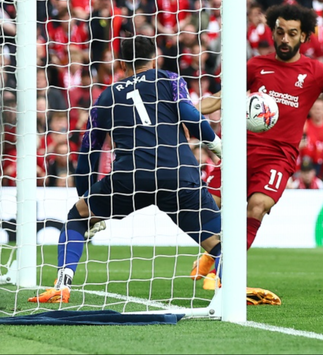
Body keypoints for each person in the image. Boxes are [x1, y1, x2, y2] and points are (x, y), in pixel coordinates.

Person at [29, 36, 223, 304]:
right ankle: (230, 288)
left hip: (130, 176)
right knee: (218, 239)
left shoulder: (105, 97)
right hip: (178, 173)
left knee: (77, 217)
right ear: (154, 58)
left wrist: (87, 198)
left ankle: (62, 285)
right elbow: (190, 115)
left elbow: (88, 151)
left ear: (120, 63)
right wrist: (216, 145)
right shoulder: (169, 78)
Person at [191, 3, 323, 290]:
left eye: (292, 34)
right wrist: (186, 109)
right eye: (280, 32)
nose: (285, 39)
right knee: (206, 207)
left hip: (278, 156)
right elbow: (220, 98)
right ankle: (215, 253)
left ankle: (223, 272)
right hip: (241, 150)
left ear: (305, 37)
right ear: (273, 32)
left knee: (257, 205)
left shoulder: (315, 71)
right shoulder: (257, 65)